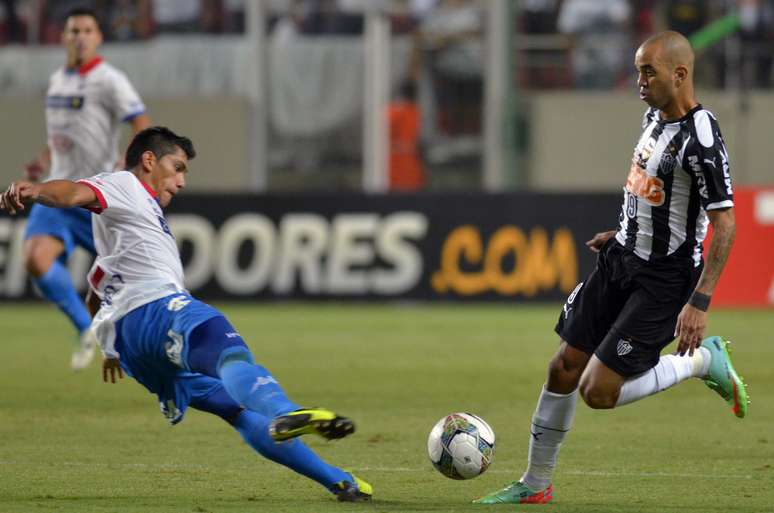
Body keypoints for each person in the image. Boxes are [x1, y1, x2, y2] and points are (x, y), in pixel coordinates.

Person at [0, 126, 373, 502]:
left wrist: (110, 350)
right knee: (228, 352)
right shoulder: (124, 184)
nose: (180, 182)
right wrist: (36, 191)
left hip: (135, 352)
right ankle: (286, 410)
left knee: (237, 410)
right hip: (159, 311)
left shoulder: (118, 243)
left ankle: (340, 482)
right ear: (149, 161)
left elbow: (95, 296)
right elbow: (72, 192)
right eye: (177, 168)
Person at [474, 31, 747, 505]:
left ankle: (702, 361)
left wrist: (700, 302)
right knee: (563, 367)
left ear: (680, 74)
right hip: (621, 257)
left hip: (664, 279)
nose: (640, 81)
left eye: (649, 72)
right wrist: (623, 231)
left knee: (597, 391)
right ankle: (535, 485)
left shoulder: (700, 138)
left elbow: (725, 224)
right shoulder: (652, 117)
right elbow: (648, 188)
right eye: (638, 70)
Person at [23, 7, 151, 370]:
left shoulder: (110, 80)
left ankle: (149, 347)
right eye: (73, 31)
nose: (80, 37)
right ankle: (85, 328)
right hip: (57, 190)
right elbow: (62, 134)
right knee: (35, 258)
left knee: (130, 281)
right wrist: (44, 158)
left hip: (95, 195)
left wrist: (128, 164)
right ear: (63, 37)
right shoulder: (57, 80)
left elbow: (141, 124)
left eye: (87, 30)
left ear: (98, 37)